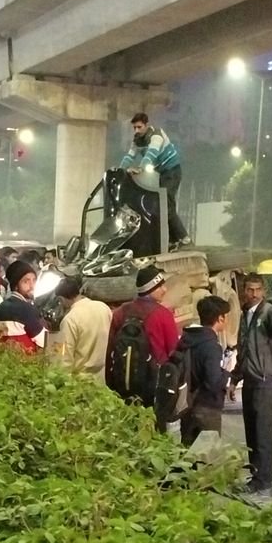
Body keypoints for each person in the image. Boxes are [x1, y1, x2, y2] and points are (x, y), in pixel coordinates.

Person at [228, 273, 272, 501]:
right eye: (250, 289)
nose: (254, 294)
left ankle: (265, 484)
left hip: (265, 381)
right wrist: (234, 379)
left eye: (258, 289)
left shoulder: (269, 312)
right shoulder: (245, 315)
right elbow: (244, 349)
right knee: (252, 431)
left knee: (264, 432)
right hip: (250, 379)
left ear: (264, 292)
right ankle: (256, 478)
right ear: (244, 291)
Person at [105, 265, 180, 424]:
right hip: (153, 388)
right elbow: (174, 353)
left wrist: (111, 384)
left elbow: (110, 351)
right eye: (160, 286)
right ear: (150, 288)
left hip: (122, 386)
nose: (165, 290)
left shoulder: (120, 312)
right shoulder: (163, 315)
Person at [121, 111, 188, 247]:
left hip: (172, 171)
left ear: (146, 125)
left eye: (139, 127)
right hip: (163, 174)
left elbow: (152, 153)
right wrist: (119, 170)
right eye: (134, 127)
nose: (137, 130)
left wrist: (140, 168)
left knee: (165, 205)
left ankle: (183, 237)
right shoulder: (137, 141)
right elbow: (130, 156)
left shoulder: (156, 135)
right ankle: (174, 240)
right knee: (162, 205)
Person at [177, 295, 230, 446]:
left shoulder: (186, 339)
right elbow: (213, 383)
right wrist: (226, 373)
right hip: (206, 409)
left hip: (186, 406)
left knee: (187, 457)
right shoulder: (212, 346)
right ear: (220, 318)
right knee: (208, 461)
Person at [50, 276, 112, 379]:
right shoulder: (103, 308)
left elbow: (65, 358)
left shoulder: (70, 320)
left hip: (81, 382)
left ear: (60, 298)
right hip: (103, 377)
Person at [0, 259, 47, 352]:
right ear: (16, 285)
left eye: (34, 280)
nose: (32, 285)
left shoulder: (0, 307)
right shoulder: (25, 309)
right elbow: (44, 341)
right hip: (26, 361)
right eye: (26, 281)